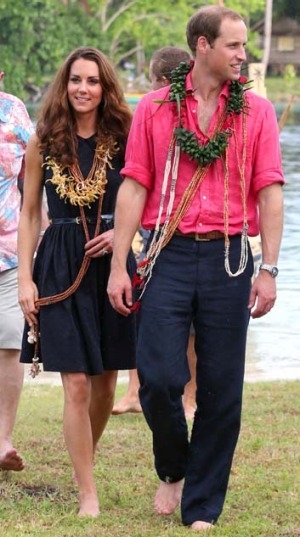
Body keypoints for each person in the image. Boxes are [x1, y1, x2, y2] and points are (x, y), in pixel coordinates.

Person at [107, 6, 284, 532]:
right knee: (158, 377)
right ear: (202, 46)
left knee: (222, 387)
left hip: (231, 256)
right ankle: (173, 467)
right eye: (232, 45)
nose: (242, 54)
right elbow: (135, 185)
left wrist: (269, 267)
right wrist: (121, 263)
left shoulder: (257, 112)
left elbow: (270, 191)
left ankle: (202, 506)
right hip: (166, 252)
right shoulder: (155, 108)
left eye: (244, 45)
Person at [17, 47, 136, 517]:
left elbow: (146, 200)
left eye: (92, 81)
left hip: (112, 261)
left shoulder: (125, 138)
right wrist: (25, 279)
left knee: (106, 384)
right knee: (77, 385)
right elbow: (28, 215)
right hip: (60, 263)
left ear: (105, 87)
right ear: (64, 85)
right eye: (75, 80)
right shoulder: (43, 140)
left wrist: (122, 233)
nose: (82, 88)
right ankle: (88, 494)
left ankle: (82, 459)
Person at [112, 46, 197, 420]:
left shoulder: (193, 118)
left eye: (152, 82)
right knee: (140, 310)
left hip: (176, 233)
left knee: (189, 323)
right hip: (150, 230)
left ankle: (188, 398)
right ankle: (136, 391)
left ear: (163, 81)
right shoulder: (149, 114)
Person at [0, 70, 33, 472]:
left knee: (10, 343)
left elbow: (33, 177)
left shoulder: (15, 111)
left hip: (10, 251)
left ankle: (3, 439)